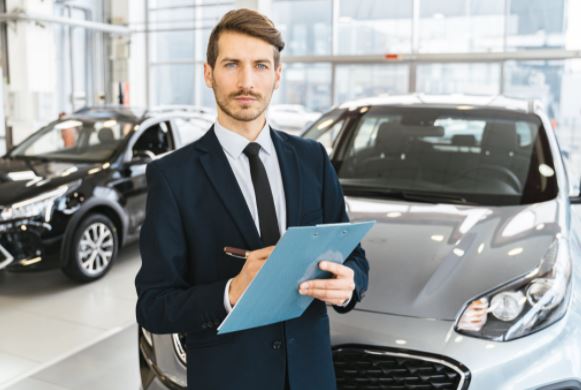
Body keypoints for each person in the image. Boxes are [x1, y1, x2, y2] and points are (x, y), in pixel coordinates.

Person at [135, 8, 369, 390]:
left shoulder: (312, 159)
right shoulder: (173, 177)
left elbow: (355, 257)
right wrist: (230, 292)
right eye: (231, 64)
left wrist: (350, 285)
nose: (246, 81)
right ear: (208, 73)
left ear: (277, 76)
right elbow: (153, 306)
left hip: (311, 377)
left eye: (260, 65)